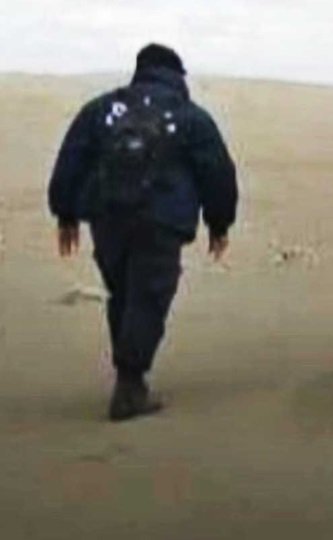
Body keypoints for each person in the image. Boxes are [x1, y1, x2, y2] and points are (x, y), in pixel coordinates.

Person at [48, 43, 238, 421]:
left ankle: (128, 374)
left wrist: (65, 213)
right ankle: (130, 384)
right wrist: (220, 223)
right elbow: (217, 172)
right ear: (177, 75)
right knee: (147, 297)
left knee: (124, 294)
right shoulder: (191, 118)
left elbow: (71, 159)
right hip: (161, 220)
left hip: (107, 217)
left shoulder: (100, 110)